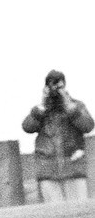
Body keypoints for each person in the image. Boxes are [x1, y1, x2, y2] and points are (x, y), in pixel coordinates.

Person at [22, 69, 94, 202]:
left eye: (59, 86)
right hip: (48, 171)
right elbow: (27, 127)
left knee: (79, 212)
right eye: (52, 85)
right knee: (54, 214)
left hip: (74, 168)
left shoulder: (76, 106)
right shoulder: (41, 110)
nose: (55, 90)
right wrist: (42, 105)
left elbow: (88, 126)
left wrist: (69, 105)